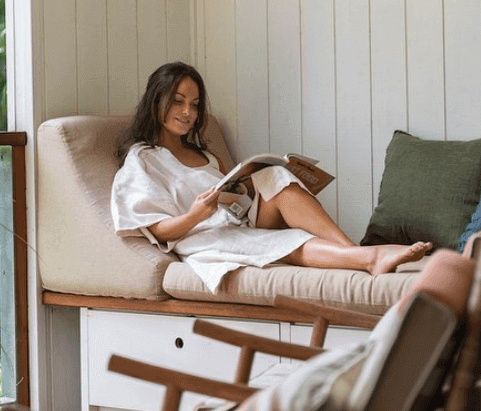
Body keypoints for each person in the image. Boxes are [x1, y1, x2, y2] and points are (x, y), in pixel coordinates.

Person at [110, 61, 431, 294]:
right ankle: (367, 259)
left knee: (276, 176)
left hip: (239, 222)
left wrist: (250, 183)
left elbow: (235, 200)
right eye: (178, 101)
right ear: (157, 102)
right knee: (285, 243)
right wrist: (195, 215)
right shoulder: (144, 159)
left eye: (194, 104)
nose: (187, 112)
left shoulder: (206, 156)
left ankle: (353, 252)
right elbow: (158, 230)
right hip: (206, 238)